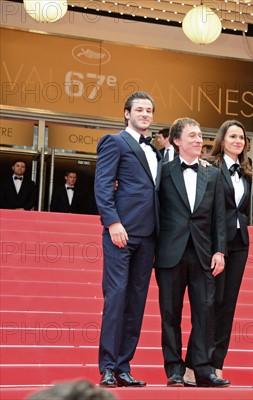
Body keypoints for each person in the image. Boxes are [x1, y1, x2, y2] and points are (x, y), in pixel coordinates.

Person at [154, 117, 228, 388]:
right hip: (169, 253)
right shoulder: (162, 171)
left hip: (203, 253)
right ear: (176, 141)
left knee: (205, 312)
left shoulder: (213, 173)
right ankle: (174, 369)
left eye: (200, 136)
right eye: (193, 136)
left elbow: (219, 216)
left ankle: (202, 368)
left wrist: (220, 250)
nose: (199, 140)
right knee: (170, 313)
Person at [94, 91, 162, 388]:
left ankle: (124, 366)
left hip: (149, 236)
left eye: (149, 110)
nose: (145, 114)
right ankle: (108, 366)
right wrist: (112, 223)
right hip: (121, 233)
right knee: (116, 298)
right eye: (139, 110)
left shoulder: (155, 151)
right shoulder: (115, 141)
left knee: (136, 302)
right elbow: (103, 185)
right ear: (127, 113)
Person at [209, 120, 253, 381]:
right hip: (217, 242)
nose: (238, 141)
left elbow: (243, 208)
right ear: (222, 139)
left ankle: (217, 365)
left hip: (239, 243)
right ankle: (198, 363)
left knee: (228, 307)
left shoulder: (246, 172)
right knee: (212, 303)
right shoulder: (211, 167)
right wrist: (215, 245)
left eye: (242, 138)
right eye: (233, 136)